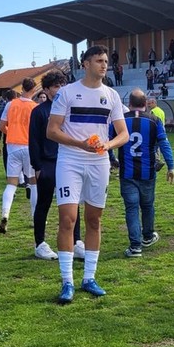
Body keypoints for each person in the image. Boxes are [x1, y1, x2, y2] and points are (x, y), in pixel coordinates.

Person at [47, 45, 129, 304]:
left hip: (99, 163)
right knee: (68, 219)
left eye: (106, 61)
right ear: (85, 64)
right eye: (99, 61)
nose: (104, 65)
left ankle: (89, 278)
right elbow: (52, 131)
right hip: (70, 161)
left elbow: (123, 134)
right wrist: (80, 144)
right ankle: (67, 281)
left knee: (94, 220)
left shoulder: (112, 95)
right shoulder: (67, 93)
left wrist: (108, 145)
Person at [28, 71, 86, 262]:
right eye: (56, 86)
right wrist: (37, 166)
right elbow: (33, 141)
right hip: (48, 164)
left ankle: (76, 242)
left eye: (62, 85)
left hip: (69, 161)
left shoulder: (70, 109)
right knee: (44, 203)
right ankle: (40, 244)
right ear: (46, 89)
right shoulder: (39, 112)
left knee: (73, 203)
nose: (60, 89)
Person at [111, 88, 174, 258]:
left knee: (131, 208)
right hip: (148, 172)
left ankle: (135, 247)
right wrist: (171, 166)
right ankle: (147, 236)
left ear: (129, 103)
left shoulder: (121, 120)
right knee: (147, 206)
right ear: (146, 103)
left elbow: (108, 140)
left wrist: (111, 158)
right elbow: (164, 144)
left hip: (127, 173)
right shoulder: (154, 121)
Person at [0, 79, 39, 234]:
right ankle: (35, 218)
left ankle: (5, 214)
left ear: (22, 88)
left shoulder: (10, 104)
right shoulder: (35, 107)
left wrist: (12, 133)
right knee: (33, 183)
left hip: (13, 146)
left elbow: (1, 126)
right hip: (29, 146)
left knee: (11, 184)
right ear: (34, 90)